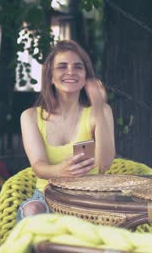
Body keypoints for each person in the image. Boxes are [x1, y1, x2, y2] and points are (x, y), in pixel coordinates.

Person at [18, 40, 115, 220]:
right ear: (50, 76)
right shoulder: (30, 116)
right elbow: (38, 166)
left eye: (78, 67)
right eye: (62, 66)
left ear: (86, 76)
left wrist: (99, 107)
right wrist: (61, 171)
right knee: (31, 210)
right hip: (48, 196)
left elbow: (104, 164)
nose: (70, 71)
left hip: (88, 197)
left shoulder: (99, 111)